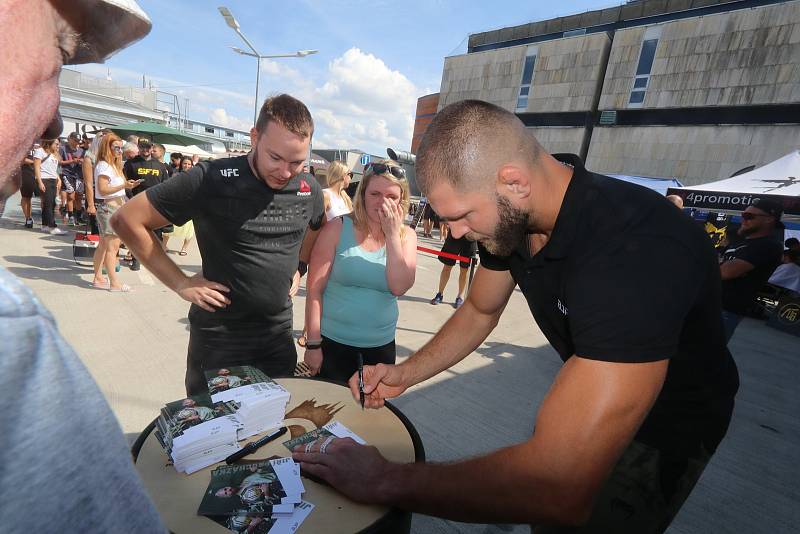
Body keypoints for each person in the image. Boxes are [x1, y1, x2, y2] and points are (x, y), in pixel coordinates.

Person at [293, 100, 739, 533]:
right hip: (598, 381)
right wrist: (404, 372)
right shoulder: (518, 216)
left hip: (665, 429)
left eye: (462, 216)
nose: (457, 234)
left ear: (514, 182)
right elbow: (480, 308)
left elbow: (558, 486)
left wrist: (384, 480)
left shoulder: (634, 250)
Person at [0, 0, 165, 531]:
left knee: (110, 252)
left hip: (116, 208)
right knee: (109, 250)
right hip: (114, 209)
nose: (54, 118)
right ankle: (105, 276)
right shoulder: (14, 340)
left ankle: (106, 275)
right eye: (61, 50)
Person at [112, 94, 325, 395]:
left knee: (271, 430)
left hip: (277, 337)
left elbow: (317, 226)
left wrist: (300, 267)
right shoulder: (212, 179)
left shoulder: (308, 188)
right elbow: (126, 220)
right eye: (275, 158)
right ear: (255, 137)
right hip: (220, 340)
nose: (285, 172)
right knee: (211, 432)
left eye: (296, 162)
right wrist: (180, 283)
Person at [303, 160, 417, 381]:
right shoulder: (337, 227)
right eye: (375, 194)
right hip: (333, 344)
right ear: (363, 194)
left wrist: (392, 235)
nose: (382, 202)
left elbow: (399, 286)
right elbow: (314, 290)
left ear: (402, 200)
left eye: (392, 196)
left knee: (369, 413)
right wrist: (313, 344)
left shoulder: (407, 237)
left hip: (380, 347)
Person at [719, 198, 785, 340]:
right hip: (710, 304)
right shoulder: (743, 242)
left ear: (768, 219)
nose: (743, 219)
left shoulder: (769, 245)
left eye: (749, 216)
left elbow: (726, 272)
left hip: (725, 310)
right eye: (743, 215)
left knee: (702, 356)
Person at [93, 133, 140, 291]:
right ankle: (114, 283)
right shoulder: (105, 165)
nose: (120, 151)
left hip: (113, 208)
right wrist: (123, 186)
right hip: (109, 209)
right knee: (112, 249)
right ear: (107, 147)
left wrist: (127, 186)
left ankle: (99, 278)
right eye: (116, 148)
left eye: (121, 148)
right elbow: (103, 189)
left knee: (104, 246)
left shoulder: (112, 165)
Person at [430, 233, 477, 309]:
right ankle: (440, 294)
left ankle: (460, 297)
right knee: (447, 267)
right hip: (455, 235)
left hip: (470, 237)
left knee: (464, 269)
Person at [162, 156, 195, 255]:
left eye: (189, 164)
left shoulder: (195, 176)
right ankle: (163, 246)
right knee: (168, 229)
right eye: (185, 163)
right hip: (175, 204)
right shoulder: (175, 174)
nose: (187, 166)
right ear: (181, 164)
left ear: (192, 165)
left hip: (189, 205)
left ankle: (184, 248)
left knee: (188, 231)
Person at [33, 138, 66, 235]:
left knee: (51, 203)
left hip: (52, 179)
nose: (58, 146)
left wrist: (58, 179)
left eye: (58, 144)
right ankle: (52, 226)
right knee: (49, 203)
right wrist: (40, 182)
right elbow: (37, 167)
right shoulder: (40, 151)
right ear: (49, 143)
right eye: (56, 144)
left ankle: (45, 225)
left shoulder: (54, 154)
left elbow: (53, 169)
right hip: (44, 179)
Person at [59, 131, 85, 225]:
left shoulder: (82, 151)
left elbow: (85, 162)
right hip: (67, 173)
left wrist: (81, 161)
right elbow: (60, 162)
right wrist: (72, 161)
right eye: (75, 140)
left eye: (78, 140)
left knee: (79, 196)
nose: (76, 142)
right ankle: (70, 216)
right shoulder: (63, 148)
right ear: (70, 139)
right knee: (71, 195)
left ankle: (78, 216)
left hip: (78, 175)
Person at [19, 145, 39, 228]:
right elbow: (20, 160)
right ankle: (28, 218)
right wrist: (34, 162)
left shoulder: (44, 140)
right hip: (26, 172)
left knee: (45, 198)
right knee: (27, 197)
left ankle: (47, 220)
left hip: (41, 173)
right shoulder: (24, 142)